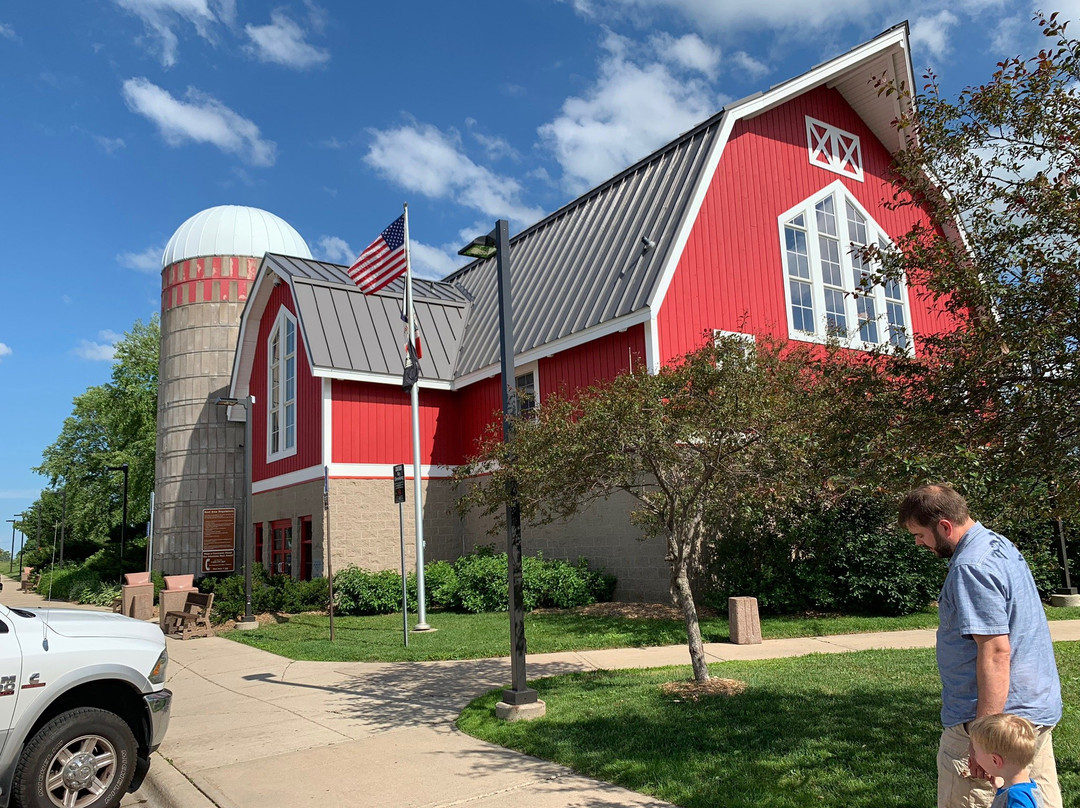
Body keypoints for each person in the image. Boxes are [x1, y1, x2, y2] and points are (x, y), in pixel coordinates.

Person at [899, 484, 1062, 808]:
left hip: (997, 726)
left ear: (944, 526)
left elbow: (996, 652)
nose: (918, 542)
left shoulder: (970, 566)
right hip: (1031, 715)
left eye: (919, 534)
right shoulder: (998, 545)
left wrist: (982, 739)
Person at [969, 713, 1044, 807]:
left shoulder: (1018, 797)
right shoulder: (1023, 789)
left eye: (976, 752)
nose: (975, 756)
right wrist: (1000, 790)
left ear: (995, 760)